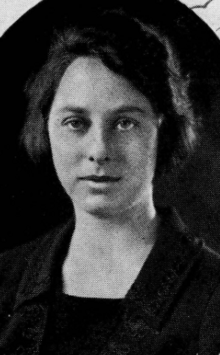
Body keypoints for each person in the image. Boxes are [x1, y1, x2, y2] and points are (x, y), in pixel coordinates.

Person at [0, 1, 219, 354]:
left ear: (161, 130)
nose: (99, 150)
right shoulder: (6, 278)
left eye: (125, 122)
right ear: (47, 129)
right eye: (76, 123)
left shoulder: (213, 295)